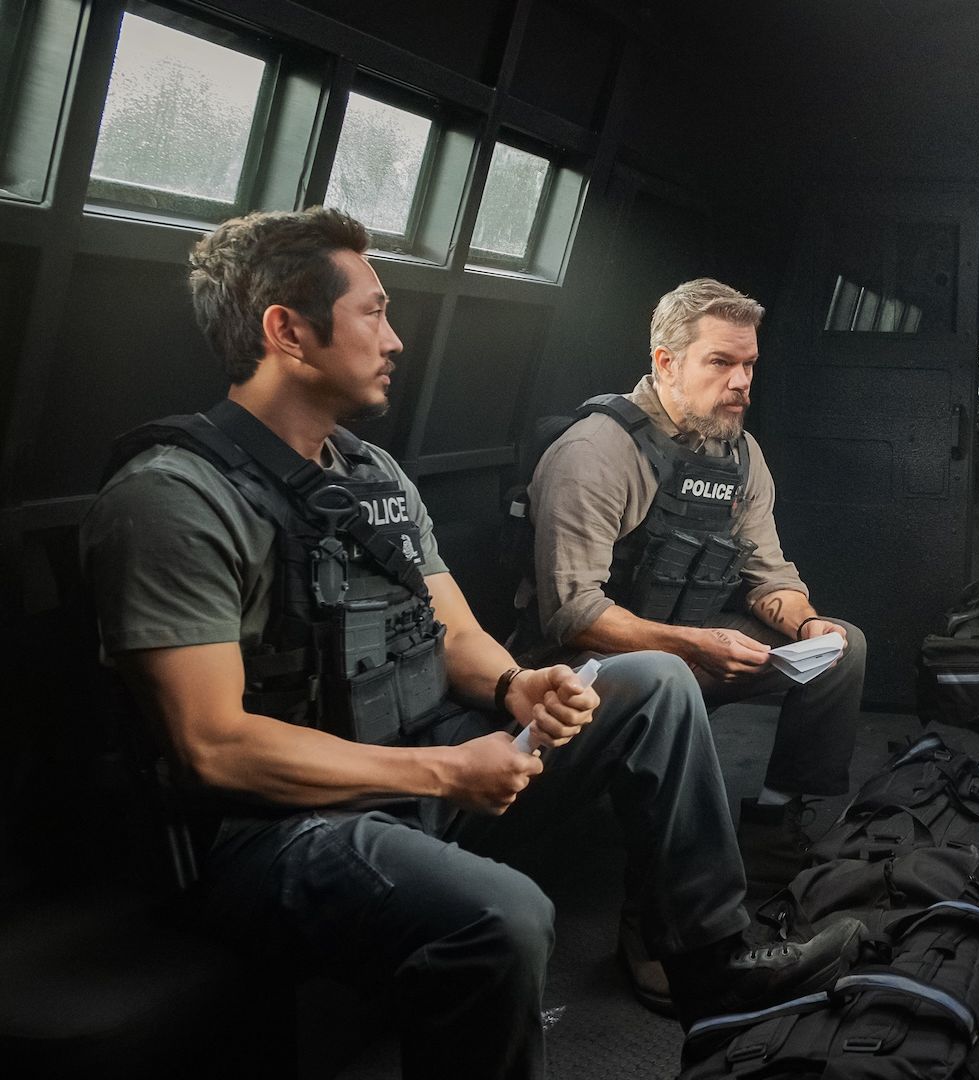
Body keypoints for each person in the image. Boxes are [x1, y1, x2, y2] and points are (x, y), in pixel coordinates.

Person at [80, 208, 859, 1079]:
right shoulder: (173, 499)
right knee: (506, 915)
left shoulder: (371, 475)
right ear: (287, 332)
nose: (395, 339)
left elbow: (453, 629)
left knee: (655, 684)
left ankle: (711, 965)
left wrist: (516, 687)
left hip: (418, 752)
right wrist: (446, 772)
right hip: (276, 827)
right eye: (374, 313)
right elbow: (212, 747)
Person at [514, 278, 865, 997]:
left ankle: (770, 836)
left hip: (689, 644)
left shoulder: (740, 454)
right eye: (720, 363)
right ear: (666, 362)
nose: (741, 383)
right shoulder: (597, 452)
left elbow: (768, 574)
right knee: (666, 681)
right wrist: (694, 647)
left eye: (749, 365)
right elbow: (572, 613)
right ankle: (655, 934)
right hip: (580, 668)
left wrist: (805, 623)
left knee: (842, 649)